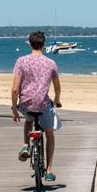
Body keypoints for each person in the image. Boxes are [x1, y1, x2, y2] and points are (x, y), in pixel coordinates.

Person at [11, 31, 62, 182]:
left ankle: (26, 145)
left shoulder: (21, 61)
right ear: (44, 44)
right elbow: (57, 87)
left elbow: (15, 89)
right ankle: (49, 170)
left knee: (28, 120)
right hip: (43, 105)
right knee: (49, 134)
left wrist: (14, 109)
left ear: (30, 43)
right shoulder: (51, 63)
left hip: (26, 104)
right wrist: (57, 100)